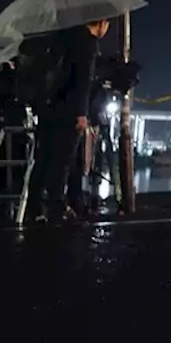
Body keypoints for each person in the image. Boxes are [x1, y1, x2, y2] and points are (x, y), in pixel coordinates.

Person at [27, 18, 108, 222]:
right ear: (100, 23)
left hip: (47, 107)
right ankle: (57, 207)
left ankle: (34, 207)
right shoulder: (88, 43)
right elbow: (83, 81)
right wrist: (81, 113)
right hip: (69, 110)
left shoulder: (59, 38)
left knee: (43, 159)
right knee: (63, 161)